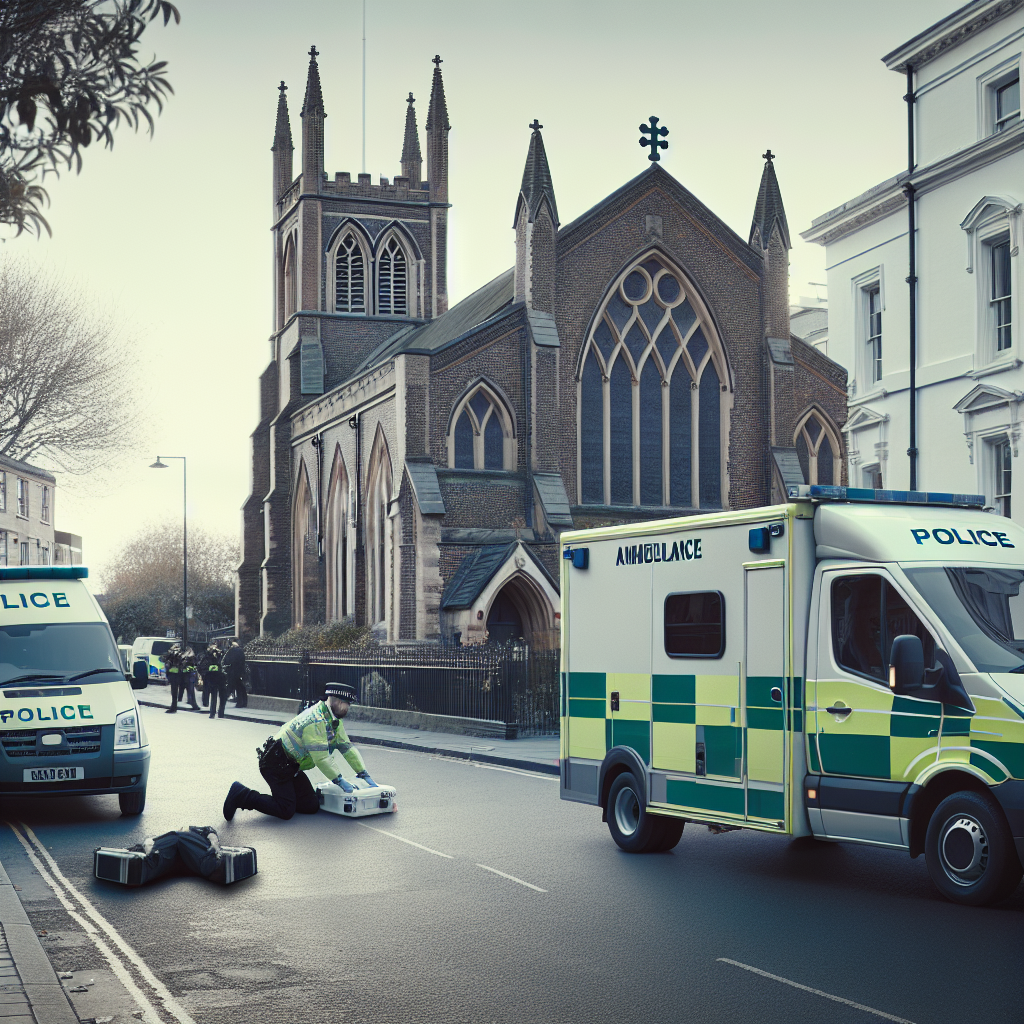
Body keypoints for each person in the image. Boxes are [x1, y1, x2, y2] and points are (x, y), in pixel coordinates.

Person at [222, 682, 377, 821]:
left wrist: (363, 773)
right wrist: (340, 780)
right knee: (285, 810)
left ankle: (287, 797)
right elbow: (322, 758)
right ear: (335, 700)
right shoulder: (315, 720)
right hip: (275, 764)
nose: (347, 708)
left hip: (291, 766)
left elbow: (346, 747)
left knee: (311, 806)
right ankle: (242, 794)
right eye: (346, 703)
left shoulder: (333, 720)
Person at [199, 644, 226, 719]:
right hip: (213, 679)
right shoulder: (207, 658)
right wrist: (206, 675)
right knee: (214, 696)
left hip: (220, 679)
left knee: (222, 697)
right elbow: (201, 668)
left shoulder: (222, 656)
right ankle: (213, 712)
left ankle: (220, 713)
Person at [223, 641, 247, 708]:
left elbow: (227, 661)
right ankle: (242, 702)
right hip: (240, 672)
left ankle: (224, 700)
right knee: (240, 687)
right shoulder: (241, 651)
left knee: (231, 687)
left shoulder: (231, 651)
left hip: (233, 671)